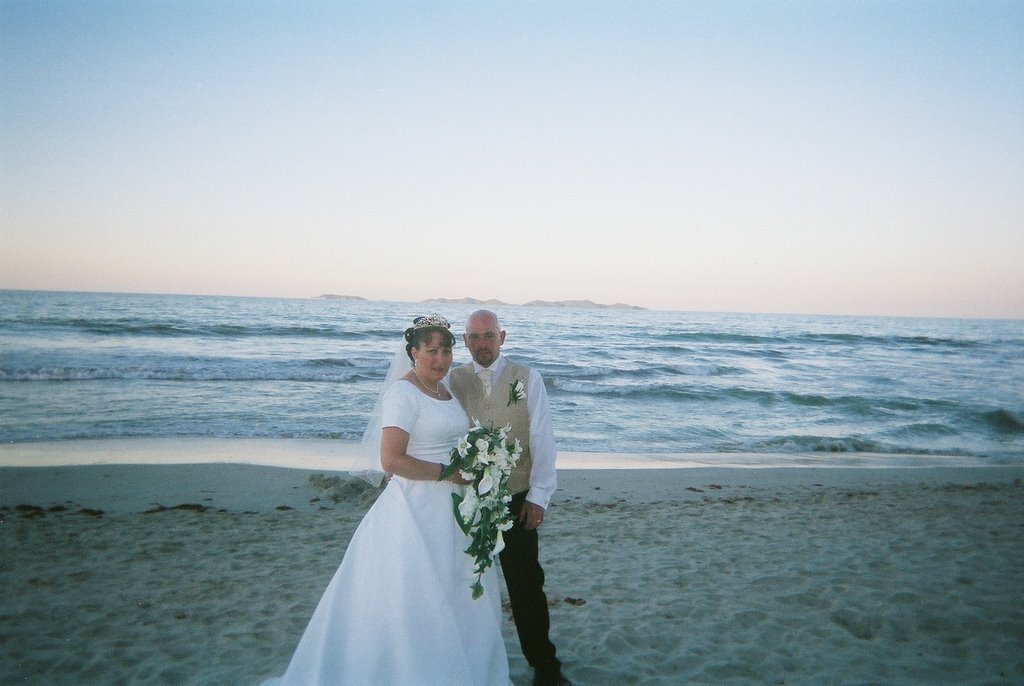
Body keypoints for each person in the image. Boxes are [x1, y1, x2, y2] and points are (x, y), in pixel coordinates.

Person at [262, 315, 510, 686]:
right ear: (413, 352)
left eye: (445, 351)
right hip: (415, 509)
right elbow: (392, 460)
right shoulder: (402, 393)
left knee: (458, 589)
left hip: (457, 506)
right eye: (431, 351)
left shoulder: (447, 391)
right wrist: (449, 473)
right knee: (416, 595)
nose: (440, 359)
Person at [448, 310, 571, 686]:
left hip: (517, 499)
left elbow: (543, 441)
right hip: (467, 503)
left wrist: (539, 497)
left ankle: (544, 667)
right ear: (464, 341)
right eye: (474, 336)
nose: (482, 343)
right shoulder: (452, 380)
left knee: (526, 586)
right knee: (467, 582)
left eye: (488, 335)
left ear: (502, 337)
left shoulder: (527, 378)